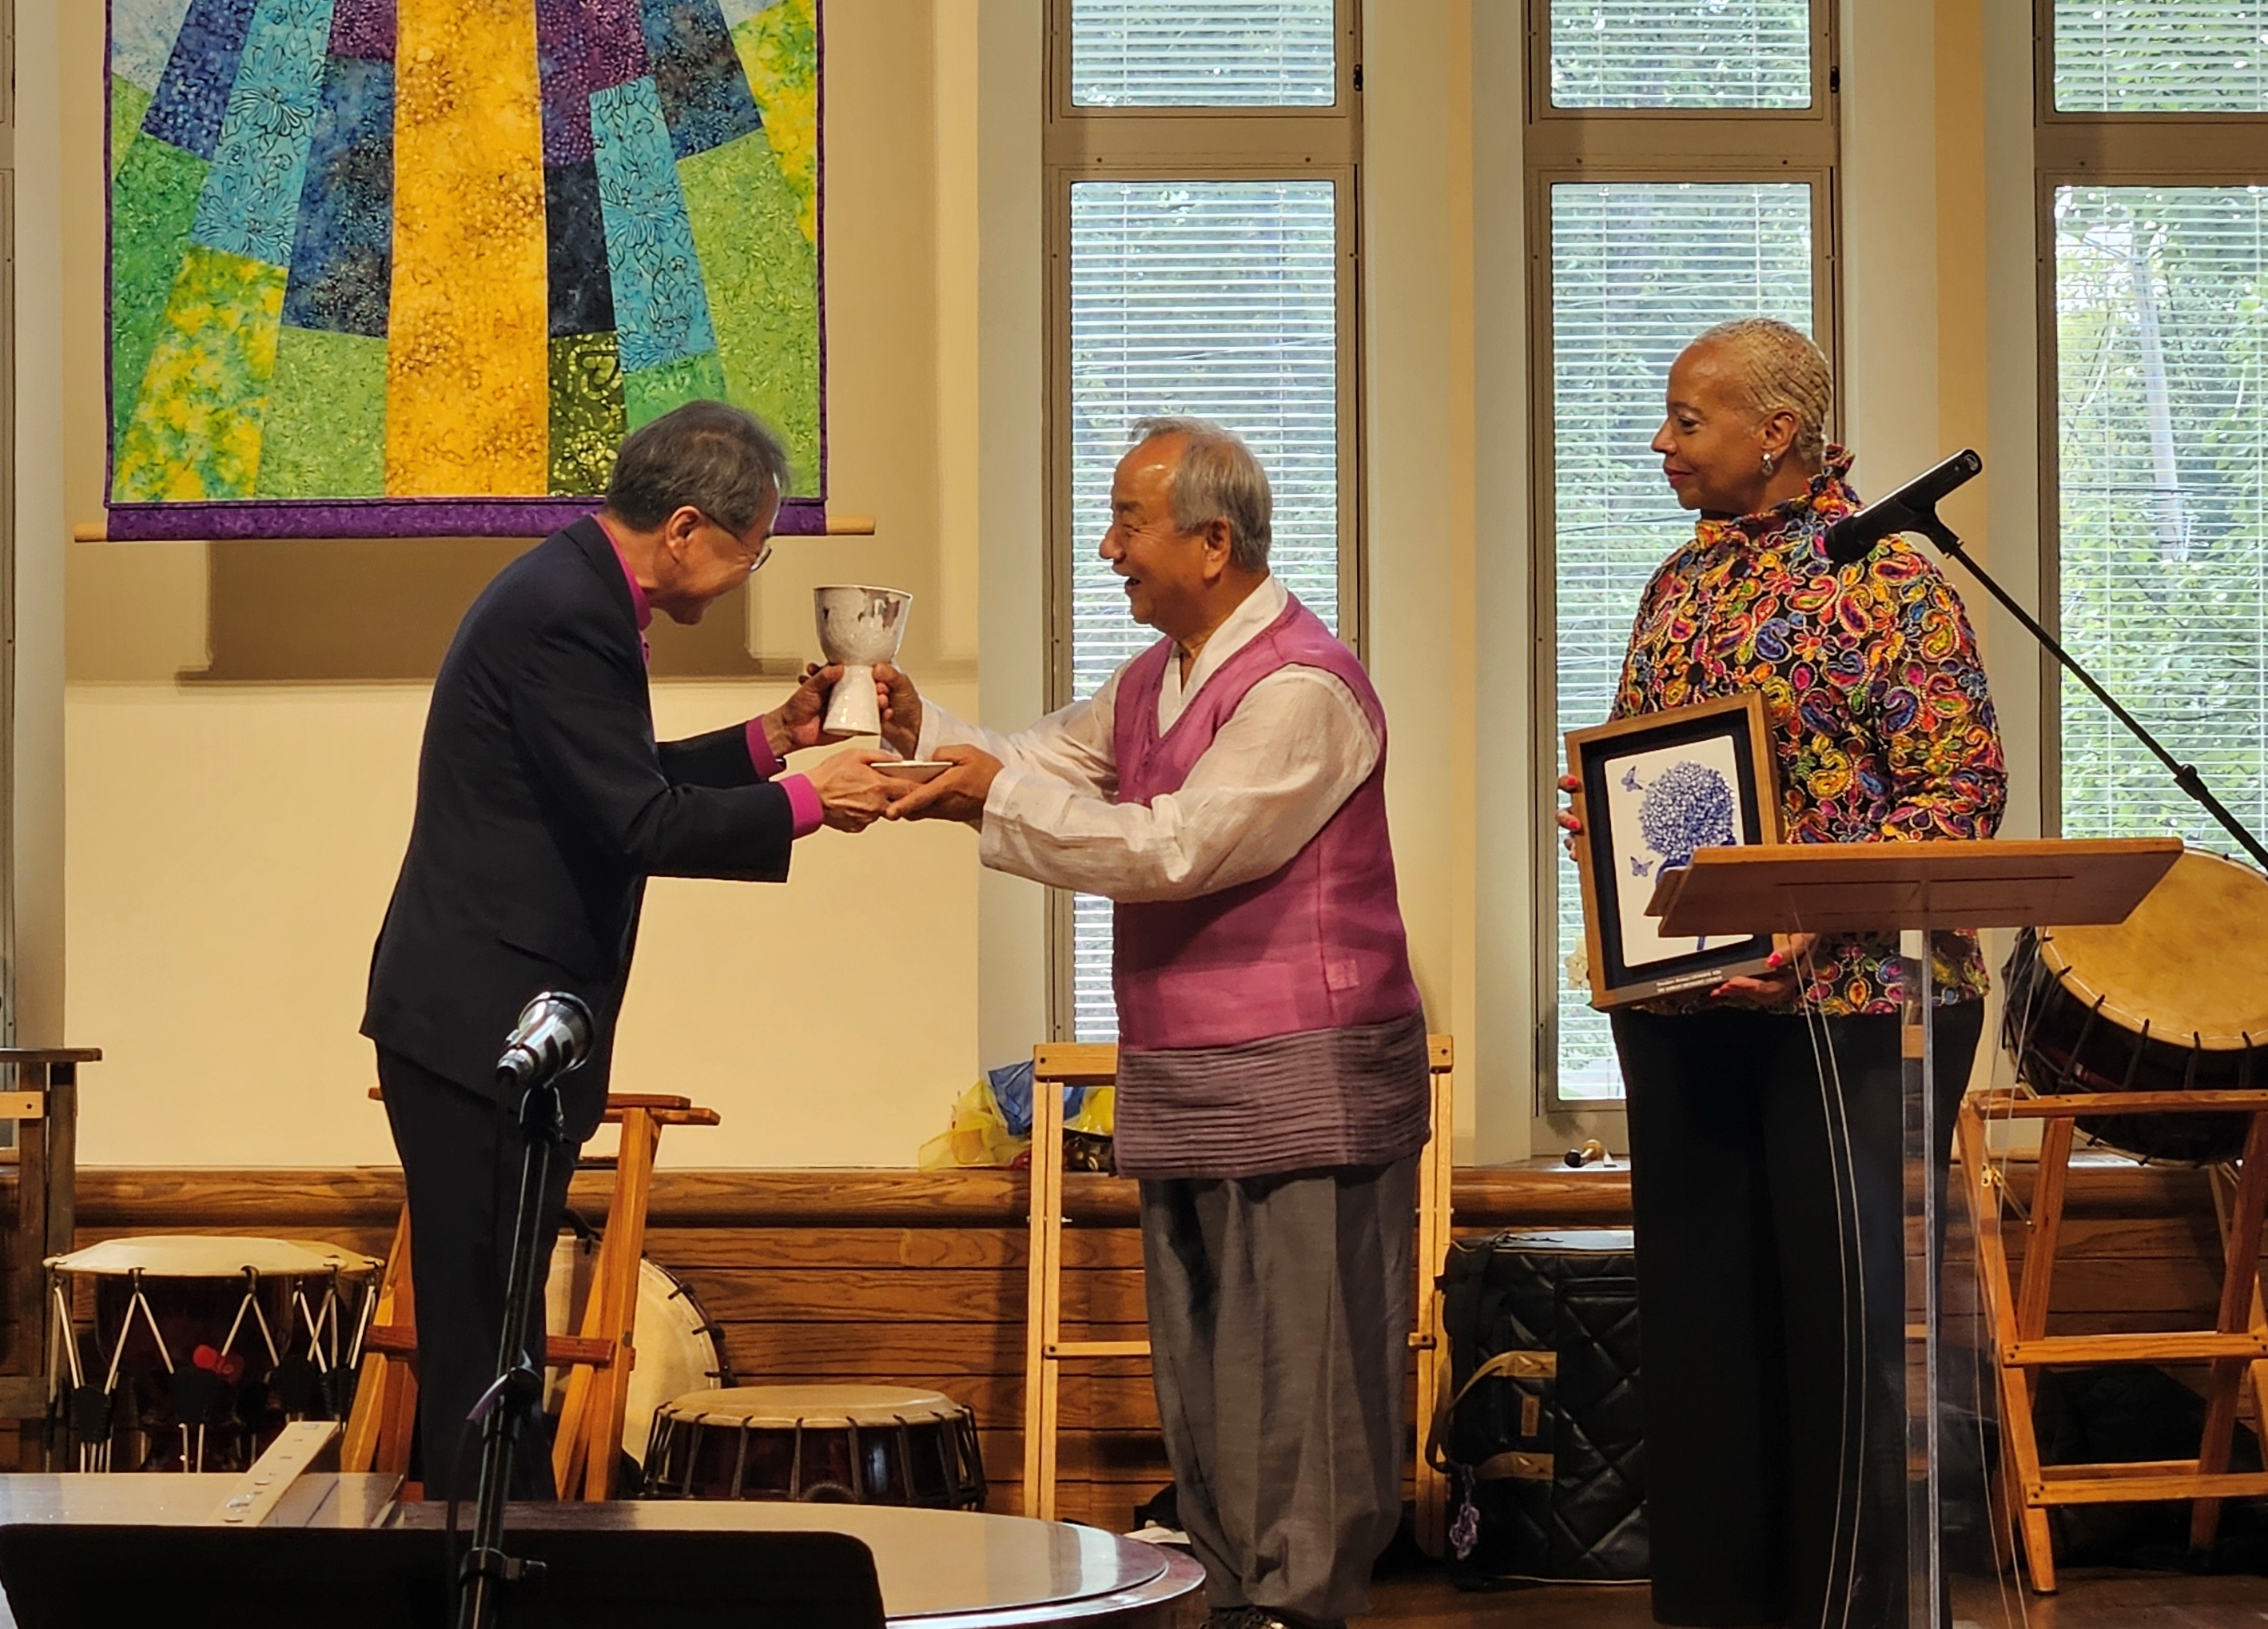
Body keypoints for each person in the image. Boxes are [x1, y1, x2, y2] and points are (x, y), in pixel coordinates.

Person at [880, 419, 1429, 1629]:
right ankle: (1233, 1594)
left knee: (1305, 1369)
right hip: (1187, 1068)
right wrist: (923, 737)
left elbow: (1177, 847)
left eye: (1129, 522)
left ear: (1214, 542)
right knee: (1205, 1361)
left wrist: (987, 795)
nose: (1109, 547)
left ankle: (1300, 1605)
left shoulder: (1301, 687)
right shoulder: (1151, 679)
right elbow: (1034, 762)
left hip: (1308, 1076)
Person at [361, 400, 905, 1500]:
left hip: (491, 1020)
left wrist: (773, 741)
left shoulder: (572, 590)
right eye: (751, 552)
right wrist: (810, 800)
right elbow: (637, 821)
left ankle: (508, 1556)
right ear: (687, 528)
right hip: (481, 1028)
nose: (747, 575)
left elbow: (612, 777)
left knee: (497, 1334)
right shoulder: (568, 612)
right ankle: (490, 1567)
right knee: (485, 1347)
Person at [1558, 318, 2006, 1628]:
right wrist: (1605, 828)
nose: (1659, 440)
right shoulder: (1676, 584)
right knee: (1701, 1334)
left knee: (1836, 1341)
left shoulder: (1892, 582)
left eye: (1686, 418)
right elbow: (1650, 776)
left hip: (1856, 1009)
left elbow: (1960, 793)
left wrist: (1811, 911)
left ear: (1775, 432)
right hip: (1688, 1007)